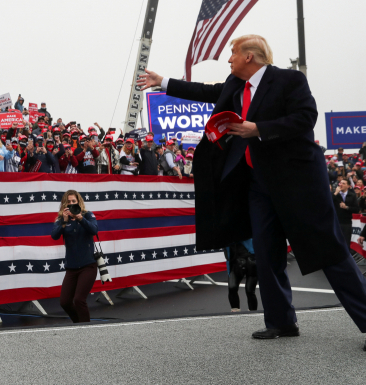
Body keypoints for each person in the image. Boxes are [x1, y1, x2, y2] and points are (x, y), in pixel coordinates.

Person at [137, 34, 366, 347]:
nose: (229, 59)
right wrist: (164, 82)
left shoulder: (289, 80)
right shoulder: (235, 86)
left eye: (233, 53)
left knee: (329, 251)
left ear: (249, 56)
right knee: (266, 253)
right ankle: (281, 322)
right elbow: (207, 91)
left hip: (298, 183)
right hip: (259, 186)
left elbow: (305, 118)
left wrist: (258, 129)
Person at [50, 190, 98, 323]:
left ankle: (85, 330)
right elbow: (54, 236)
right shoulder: (61, 219)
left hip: (88, 265)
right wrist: (64, 222)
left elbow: (94, 230)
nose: (71, 204)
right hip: (71, 267)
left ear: (78, 202)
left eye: (73, 201)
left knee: (79, 299)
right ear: (64, 204)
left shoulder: (87, 215)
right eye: (68, 202)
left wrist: (80, 219)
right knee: (64, 302)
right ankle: (79, 324)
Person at [333, 178, 360, 246]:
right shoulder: (335, 194)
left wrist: (346, 207)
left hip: (347, 222)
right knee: (335, 242)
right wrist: (336, 193)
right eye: (340, 183)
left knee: (346, 242)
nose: (341, 184)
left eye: (343, 183)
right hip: (336, 222)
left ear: (348, 186)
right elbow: (328, 204)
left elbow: (356, 209)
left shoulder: (352, 195)